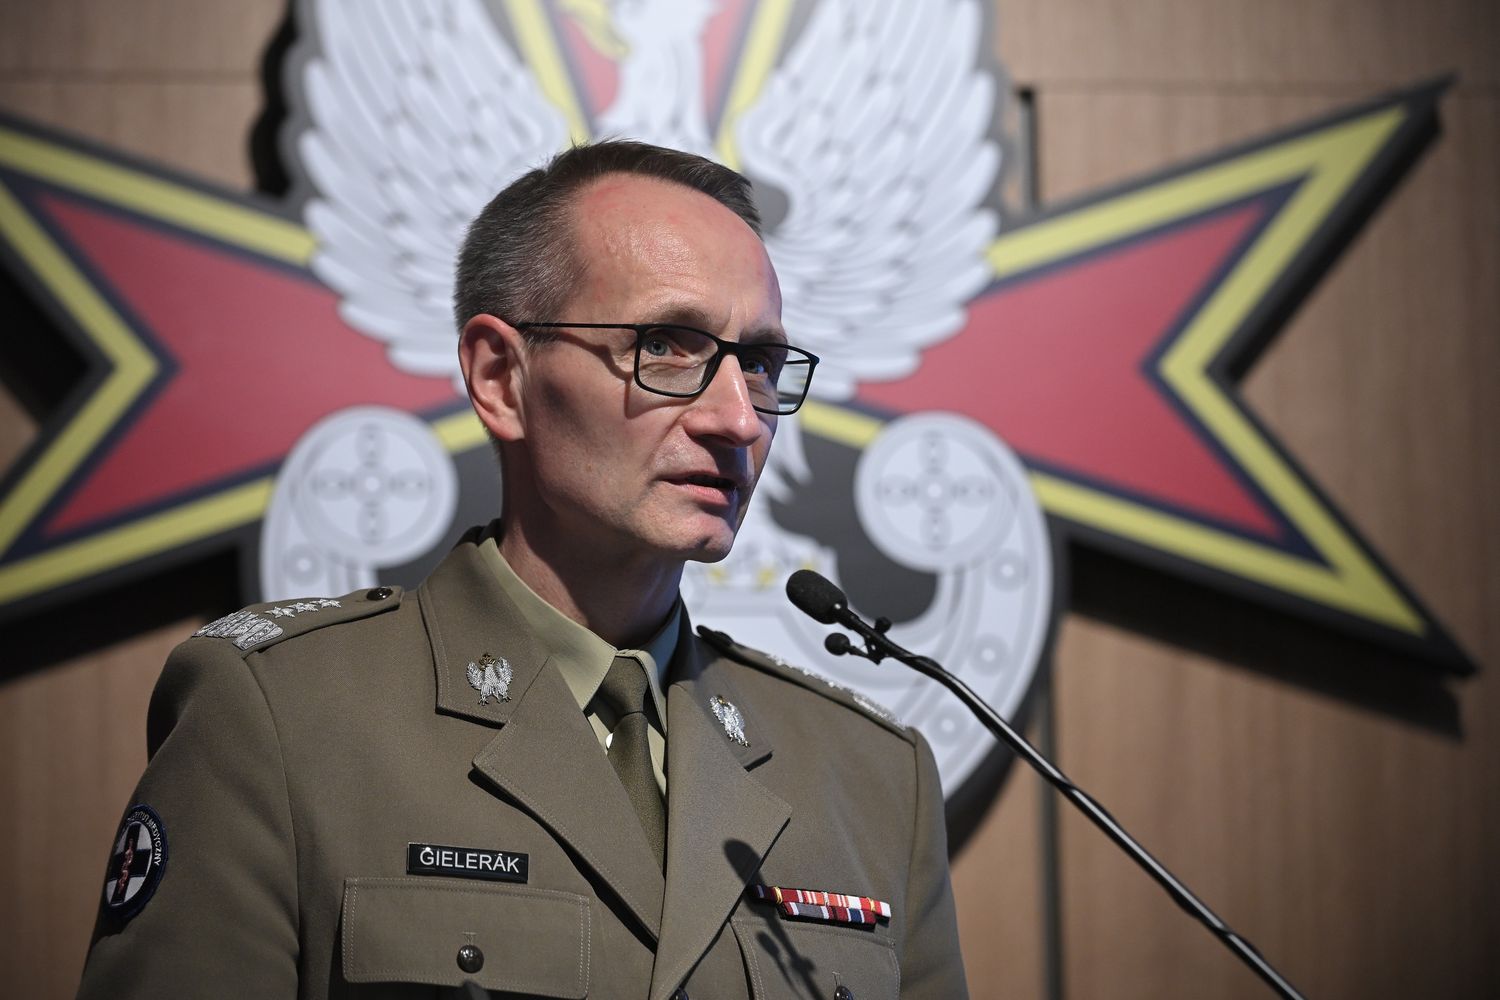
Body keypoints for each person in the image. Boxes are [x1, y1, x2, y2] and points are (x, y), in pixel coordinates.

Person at [78, 140, 968, 999]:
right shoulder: (283, 718)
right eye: (668, 345)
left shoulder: (870, 777)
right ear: (501, 377)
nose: (739, 419)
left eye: (761, 364)